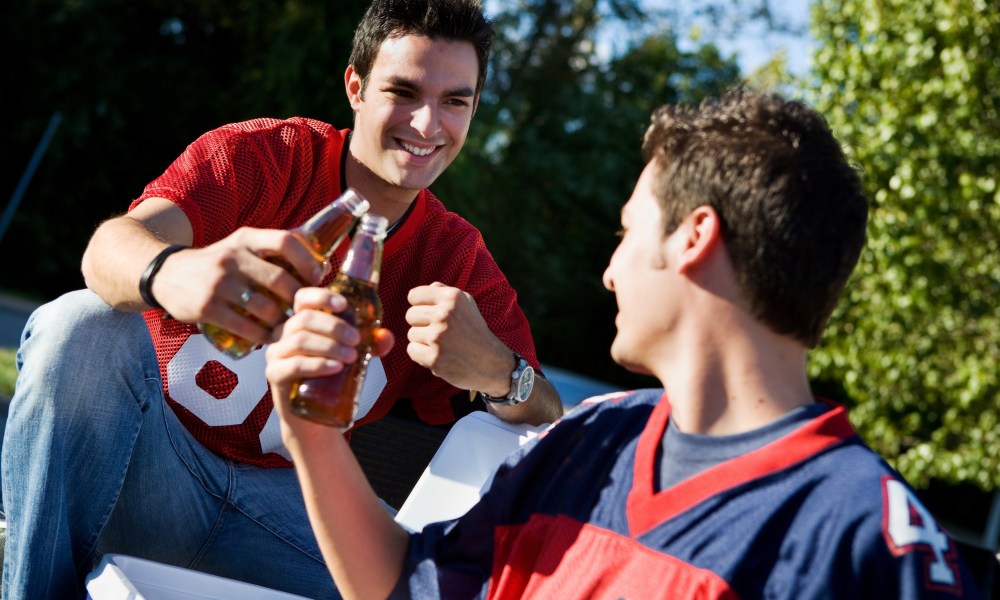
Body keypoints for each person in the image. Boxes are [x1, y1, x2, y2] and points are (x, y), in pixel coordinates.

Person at [266, 88, 983, 599]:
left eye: (627, 232)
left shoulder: (862, 538)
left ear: (694, 238)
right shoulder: (588, 440)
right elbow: (404, 585)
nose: (609, 272)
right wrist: (314, 437)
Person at [0, 0, 564, 597]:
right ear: (355, 85)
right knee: (81, 325)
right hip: (145, 474)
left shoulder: (455, 260)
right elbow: (106, 252)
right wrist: (176, 272)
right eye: (403, 91)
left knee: (423, 587)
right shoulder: (267, 158)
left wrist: (501, 372)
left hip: (283, 518)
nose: (427, 125)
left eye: (455, 101)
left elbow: (550, 418)